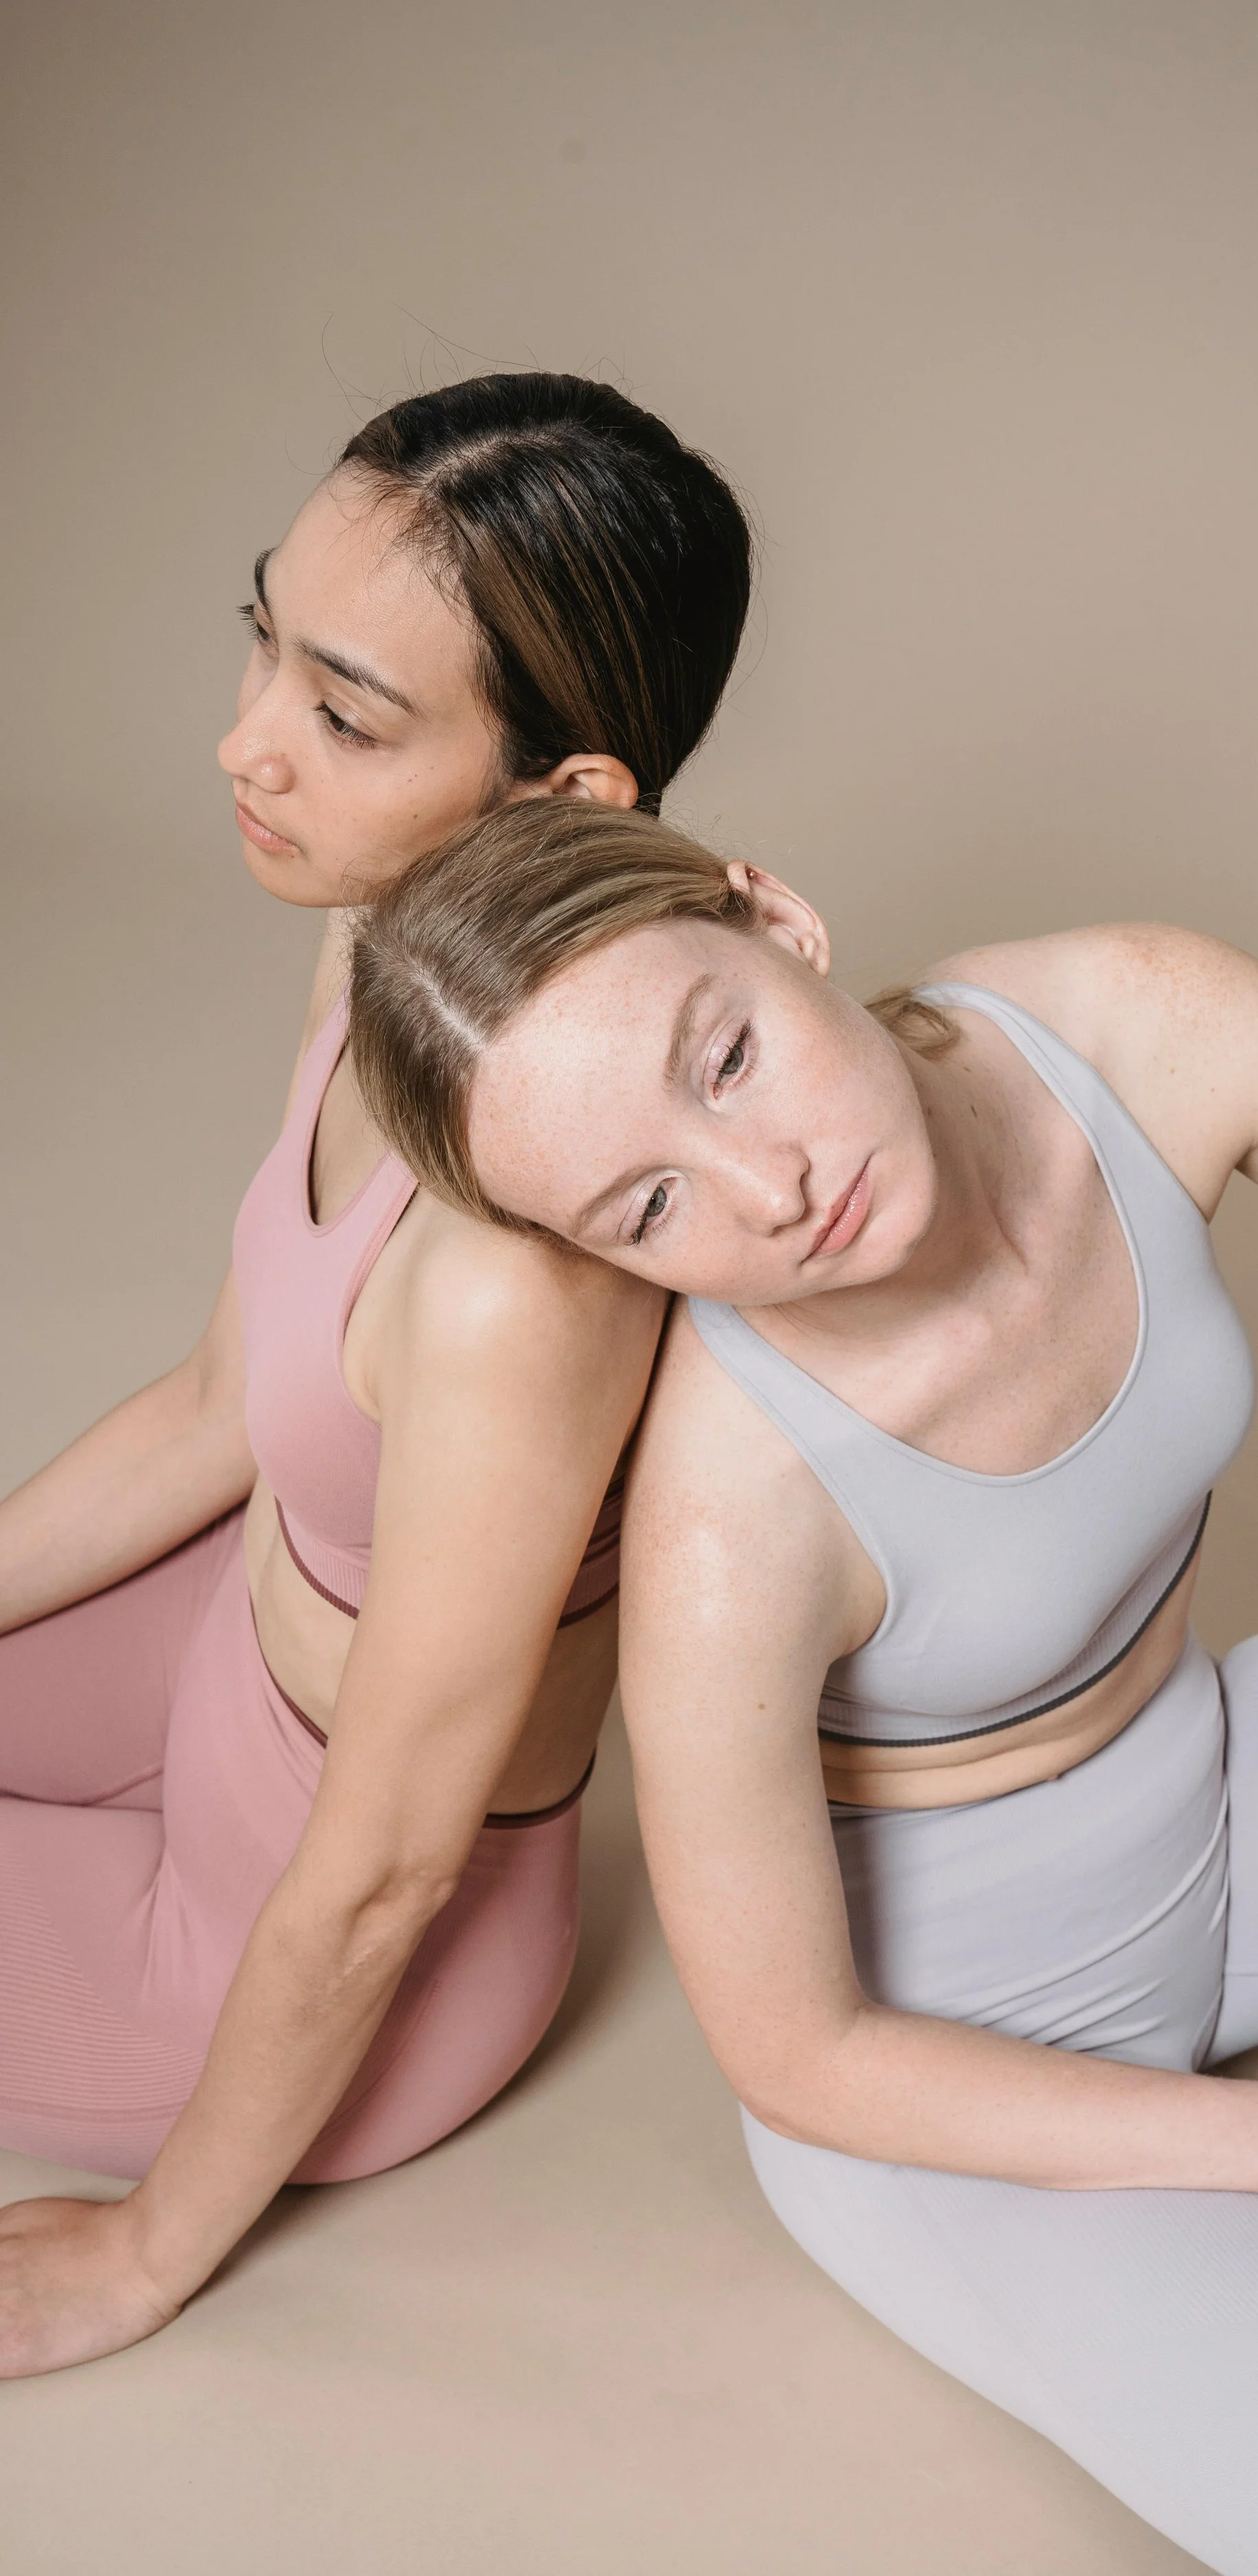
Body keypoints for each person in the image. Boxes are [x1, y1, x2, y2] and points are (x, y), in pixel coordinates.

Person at [343, 796, 1258, 2573]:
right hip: (959, 2087)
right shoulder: (729, 1518)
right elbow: (800, 2053)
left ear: (777, 914)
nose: (771, 1186)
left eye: (731, 1055)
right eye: (653, 1202)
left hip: (1228, 1811)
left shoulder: (1144, 1026)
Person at [0, 376, 753, 2380]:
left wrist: (147, 2254)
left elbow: (388, 1862)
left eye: (344, 714)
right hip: (215, 1650)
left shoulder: (524, 1275)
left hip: (300, 1914)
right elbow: (210, 1407)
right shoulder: (391, 940)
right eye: (264, 638)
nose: (247, 744)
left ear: (558, 806)